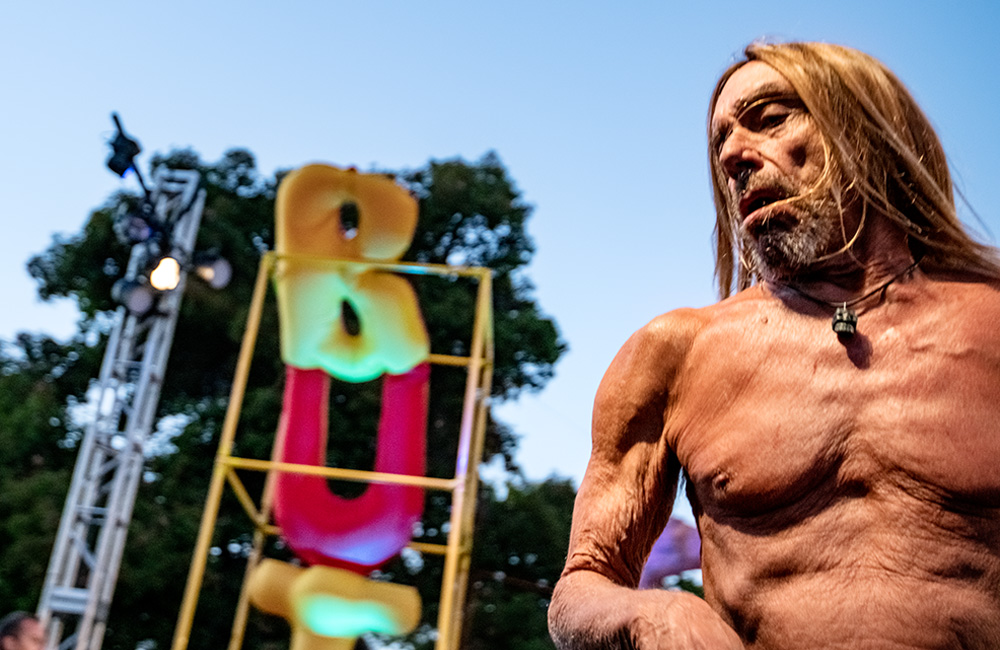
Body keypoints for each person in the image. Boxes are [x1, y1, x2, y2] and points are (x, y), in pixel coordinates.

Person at [548, 40, 1000, 649]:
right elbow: (583, 584)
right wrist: (650, 616)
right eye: (720, 143)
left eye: (769, 117)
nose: (734, 154)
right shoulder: (674, 354)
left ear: (862, 130)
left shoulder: (990, 325)